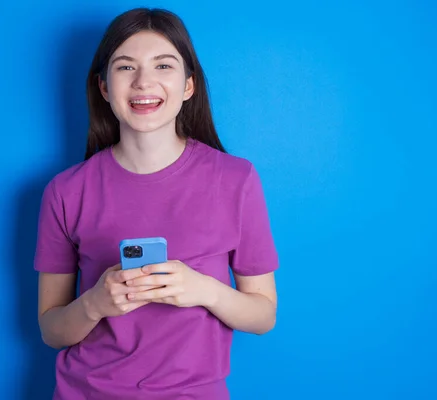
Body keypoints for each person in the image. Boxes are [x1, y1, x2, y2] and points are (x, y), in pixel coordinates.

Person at [34, 7, 279, 400]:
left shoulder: (236, 180)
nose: (144, 81)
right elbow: (51, 330)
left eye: (163, 65)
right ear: (103, 87)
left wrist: (204, 290)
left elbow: (264, 315)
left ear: (188, 85)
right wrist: (96, 303)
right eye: (125, 67)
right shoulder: (66, 191)